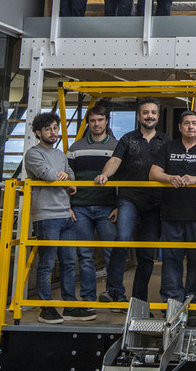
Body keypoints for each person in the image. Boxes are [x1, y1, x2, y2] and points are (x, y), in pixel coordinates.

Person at [150, 110, 196, 326]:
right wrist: (169, 177)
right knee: (171, 260)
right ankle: (172, 304)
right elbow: (153, 173)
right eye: (187, 124)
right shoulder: (169, 147)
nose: (191, 127)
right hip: (172, 214)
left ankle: (194, 306)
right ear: (180, 127)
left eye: (194, 123)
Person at [94, 98, 170, 304]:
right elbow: (115, 160)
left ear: (158, 116)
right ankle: (114, 291)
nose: (149, 116)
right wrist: (105, 176)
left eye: (153, 112)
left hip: (155, 203)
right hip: (129, 198)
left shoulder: (166, 141)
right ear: (139, 116)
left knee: (146, 253)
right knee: (123, 239)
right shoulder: (127, 139)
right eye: (145, 112)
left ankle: (139, 300)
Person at [24, 112, 92, 323]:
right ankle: (46, 308)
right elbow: (51, 176)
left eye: (55, 128)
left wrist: (66, 178)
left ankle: (69, 306)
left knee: (69, 262)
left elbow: (72, 179)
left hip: (65, 214)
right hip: (46, 215)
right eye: (48, 129)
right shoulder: (33, 154)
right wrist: (64, 178)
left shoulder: (61, 155)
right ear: (38, 133)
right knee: (46, 263)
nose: (53, 133)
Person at [67, 105, 125, 306]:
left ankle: (115, 296)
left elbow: (123, 180)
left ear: (107, 121)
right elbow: (68, 179)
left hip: (107, 208)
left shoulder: (117, 147)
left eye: (100, 120)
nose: (97, 124)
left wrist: (119, 206)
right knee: (84, 256)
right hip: (80, 207)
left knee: (112, 254)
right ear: (88, 123)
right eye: (93, 120)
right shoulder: (75, 148)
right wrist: (68, 206)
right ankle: (88, 299)